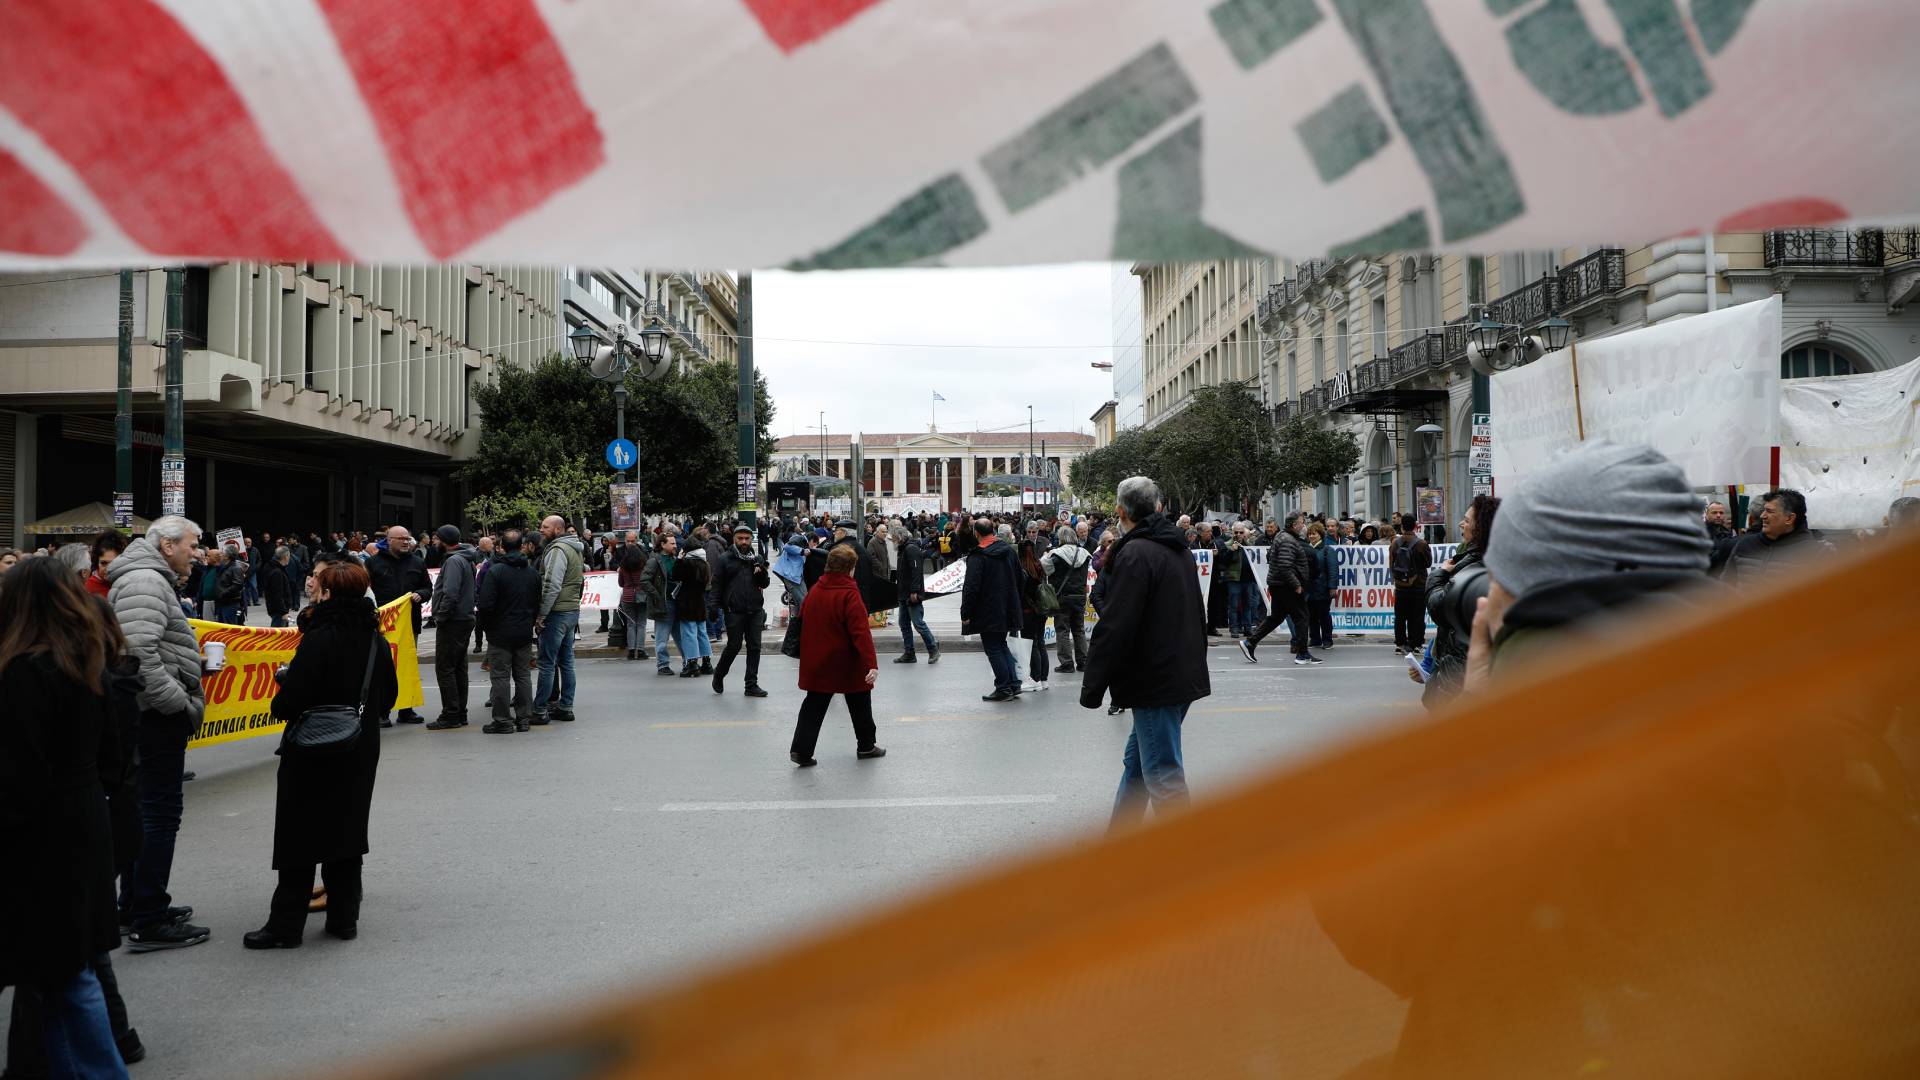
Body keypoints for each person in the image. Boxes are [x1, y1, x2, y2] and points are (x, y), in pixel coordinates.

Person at [0, 559, 139, 1079]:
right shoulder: (89, 663)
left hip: (39, 839)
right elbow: (112, 760)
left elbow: (19, 775)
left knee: (64, 975)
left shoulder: (24, 672)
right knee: (66, 970)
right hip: (82, 824)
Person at [242, 559, 399, 949]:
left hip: (312, 748)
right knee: (347, 828)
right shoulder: (374, 638)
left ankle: (285, 926)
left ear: (328, 593)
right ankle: (344, 919)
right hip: (359, 746)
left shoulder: (320, 636)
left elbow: (292, 700)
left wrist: (284, 692)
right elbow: (389, 696)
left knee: (300, 834)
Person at [104, 515, 211, 952]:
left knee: (143, 809)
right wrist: (177, 703)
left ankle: (136, 904)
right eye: (193, 543)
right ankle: (148, 913)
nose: (198, 551)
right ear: (167, 545)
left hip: (146, 714)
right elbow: (138, 655)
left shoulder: (148, 579)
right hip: (153, 716)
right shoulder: (147, 582)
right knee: (158, 813)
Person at [1080, 477, 1210, 831]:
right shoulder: (1176, 548)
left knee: (1162, 775)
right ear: (1159, 508)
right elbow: (1197, 612)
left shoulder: (1136, 553)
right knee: (1138, 766)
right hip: (1177, 673)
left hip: (1155, 680)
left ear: (1120, 512)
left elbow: (1116, 625)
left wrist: (1092, 686)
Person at [789, 544, 885, 766]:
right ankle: (866, 745)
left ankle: (801, 750)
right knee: (860, 703)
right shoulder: (850, 594)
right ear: (850, 568)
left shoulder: (815, 590)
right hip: (846, 661)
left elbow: (802, 619)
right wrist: (871, 663)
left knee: (813, 706)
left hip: (817, 660)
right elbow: (861, 632)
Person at [1417, 494, 1500, 707]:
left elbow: (1440, 608)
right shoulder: (1471, 560)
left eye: (1467, 520)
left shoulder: (1474, 570)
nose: (1461, 524)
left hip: (1460, 680)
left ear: (1480, 529)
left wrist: (1438, 575)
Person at [474, 530, 540, 734]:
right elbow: (537, 602)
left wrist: (487, 627)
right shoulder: (531, 573)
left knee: (500, 676)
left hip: (500, 632)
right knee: (523, 675)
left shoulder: (496, 571)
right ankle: (524, 718)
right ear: (522, 546)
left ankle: (502, 720)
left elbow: (485, 604)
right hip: (522, 630)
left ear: (502, 546)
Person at [366, 526, 430, 725]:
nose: (405, 542)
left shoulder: (417, 562)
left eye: (407, 538)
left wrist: (421, 594)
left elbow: (428, 588)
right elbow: (365, 591)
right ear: (389, 539)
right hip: (382, 627)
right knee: (381, 669)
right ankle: (381, 712)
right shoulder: (372, 563)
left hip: (410, 625)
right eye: (400, 538)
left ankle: (406, 710)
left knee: (407, 666)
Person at [1239, 512, 1320, 666]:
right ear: (1294, 525)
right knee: (1302, 617)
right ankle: (1302, 654)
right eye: (1302, 522)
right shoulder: (1287, 540)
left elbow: (1272, 557)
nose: (1304, 525)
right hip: (1286, 586)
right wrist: (1296, 585)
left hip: (1279, 585)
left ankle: (1250, 643)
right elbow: (1284, 566)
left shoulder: (1282, 536)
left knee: (1276, 617)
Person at [960, 517, 1024, 702]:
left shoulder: (978, 556)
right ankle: (1013, 683)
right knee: (1001, 644)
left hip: (987, 609)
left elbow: (971, 587)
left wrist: (966, 613)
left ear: (976, 533)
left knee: (994, 647)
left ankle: (1004, 687)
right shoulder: (1009, 551)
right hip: (1008, 606)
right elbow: (1021, 578)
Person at [533, 515, 586, 724]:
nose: (541, 530)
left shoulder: (558, 550)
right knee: (566, 661)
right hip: (570, 610)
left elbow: (551, 585)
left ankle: (539, 710)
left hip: (557, 612)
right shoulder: (574, 548)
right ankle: (565, 707)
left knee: (547, 663)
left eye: (545, 527)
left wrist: (542, 614)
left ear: (557, 529)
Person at [1722, 488, 1832, 588]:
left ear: (1789, 518)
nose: (1762, 516)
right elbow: (1725, 588)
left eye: (1769, 511)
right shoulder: (1745, 544)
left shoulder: (1818, 553)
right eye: (1764, 510)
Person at [426, 526, 478, 730]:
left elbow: (451, 593)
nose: (434, 542)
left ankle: (451, 714)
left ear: (444, 540)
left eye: (436, 539)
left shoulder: (454, 561)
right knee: (457, 667)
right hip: (462, 618)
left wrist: (441, 616)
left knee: (446, 668)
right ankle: (459, 712)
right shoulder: (463, 558)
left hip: (454, 621)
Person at [711, 524, 770, 698]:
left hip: (754, 610)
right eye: (740, 538)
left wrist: (760, 572)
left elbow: (764, 583)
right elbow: (717, 585)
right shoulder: (725, 559)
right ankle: (719, 675)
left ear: (751, 539)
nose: (744, 542)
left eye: (747, 538)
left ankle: (751, 685)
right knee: (734, 646)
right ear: (734, 539)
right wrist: (713, 607)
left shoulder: (756, 557)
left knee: (755, 647)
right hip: (734, 610)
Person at [1042, 525, 1090, 673]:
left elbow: (1045, 568)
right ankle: (1083, 662)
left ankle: (1067, 663)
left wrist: (1045, 555)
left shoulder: (1056, 554)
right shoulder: (1085, 553)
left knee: (1062, 629)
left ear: (1061, 537)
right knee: (1079, 629)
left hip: (1062, 596)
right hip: (1080, 596)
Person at [893, 526, 939, 664]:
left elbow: (916, 571)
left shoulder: (910, 549)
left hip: (911, 594)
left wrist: (914, 591)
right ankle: (909, 653)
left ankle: (933, 649)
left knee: (918, 623)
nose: (893, 541)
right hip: (904, 593)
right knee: (904, 624)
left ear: (900, 537)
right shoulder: (904, 549)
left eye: (894, 538)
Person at [1388, 516, 1432, 656]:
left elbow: (1391, 564)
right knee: (1417, 616)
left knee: (1400, 616)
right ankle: (1416, 644)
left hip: (1401, 586)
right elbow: (1428, 563)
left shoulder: (1395, 543)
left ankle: (1400, 644)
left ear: (1401, 527)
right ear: (1415, 526)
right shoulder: (1421, 544)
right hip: (1418, 585)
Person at [641, 534, 681, 677]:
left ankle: (689, 662)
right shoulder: (655, 560)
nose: (675, 546)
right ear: (663, 545)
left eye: (675, 543)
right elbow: (644, 580)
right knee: (662, 637)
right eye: (672, 543)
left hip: (676, 602)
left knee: (680, 635)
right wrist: (656, 596)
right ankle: (663, 665)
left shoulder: (674, 559)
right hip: (664, 603)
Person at [1016, 539, 1053, 693]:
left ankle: (1035, 678)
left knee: (1031, 645)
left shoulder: (1023, 569)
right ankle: (1043, 679)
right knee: (1040, 642)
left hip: (1028, 611)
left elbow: (1021, 593)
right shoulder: (1039, 567)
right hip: (1041, 611)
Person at [672, 545, 713, 678]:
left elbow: (675, 575)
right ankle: (707, 662)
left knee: (689, 633)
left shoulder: (687, 564)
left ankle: (692, 664)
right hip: (699, 601)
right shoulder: (705, 565)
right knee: (702, 632)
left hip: (686, 602)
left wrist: (679, 560)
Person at [615, 536, 651, 662]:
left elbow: (620, 583)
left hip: (627, 596)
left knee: (631, 624)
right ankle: (640, 650)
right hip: (642, 595)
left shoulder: (623, 566)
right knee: (641, 624)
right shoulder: (643, 564)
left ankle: (631, 651)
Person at [1305, 522, 1335, 651]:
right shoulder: (1306, 549)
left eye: (1314, 534)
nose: (1311, 536)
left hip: (1323, 588)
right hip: (1309, 589)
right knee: (1311, 616)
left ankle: (1327, 639)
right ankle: (1315, 639)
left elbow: (1333, 570)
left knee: (1324, 615)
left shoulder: (1327, 549)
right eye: (1310, 534)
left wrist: (1332, 587)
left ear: (1320, 535)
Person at [263, 546, 298, 628]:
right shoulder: (277, 572)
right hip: (279, 611)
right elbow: (277, 594)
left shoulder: (271, 567)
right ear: (286, 556)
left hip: (275, 608)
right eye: (289, 556)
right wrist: (284, 612)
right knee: (278, 636)